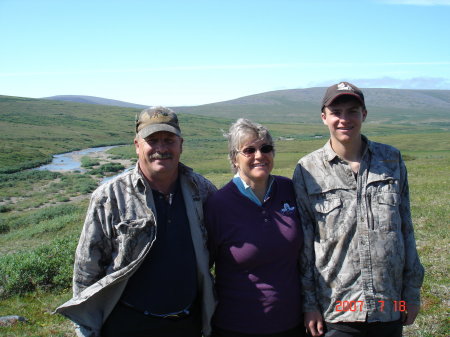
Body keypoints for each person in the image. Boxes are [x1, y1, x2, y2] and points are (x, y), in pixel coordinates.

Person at [56, 106, 217, 337]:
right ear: (137, 145)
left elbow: (216, 249)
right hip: (127, 323)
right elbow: (87, 266)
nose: (161, 148)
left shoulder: (202, 190)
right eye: (152, 140)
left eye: (169, 140)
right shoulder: (110, 196)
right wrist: (86, 327)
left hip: (187, 322)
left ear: (181, 144)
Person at [292, 82, 425, 337]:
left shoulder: (391, 160)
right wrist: (309, 305)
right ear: (324, 117)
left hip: (389, 306)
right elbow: (306, 244)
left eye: (352, 111)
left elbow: (406, 228)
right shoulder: (307, 169)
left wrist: (411, 292)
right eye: (336, 112)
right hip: (336, 310)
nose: (344, 119)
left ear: (364, 114)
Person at [205, 118, 306, 337]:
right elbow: (204, 266)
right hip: (236, 326)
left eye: (266, 148)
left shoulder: (290, 190)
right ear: (234, 158)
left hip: (292, 323)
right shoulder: (218, 205)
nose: (259, 155)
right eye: (249, 150)